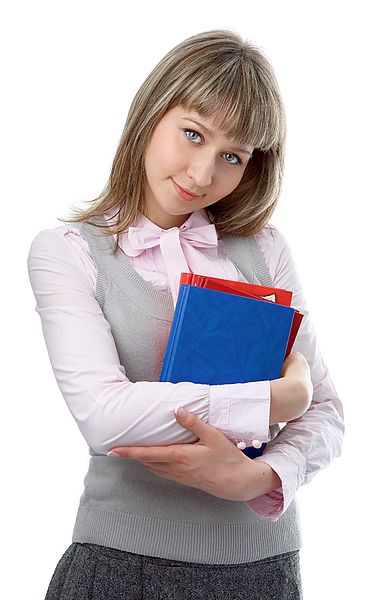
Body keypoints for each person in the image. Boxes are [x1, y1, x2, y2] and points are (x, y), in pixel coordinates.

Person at [28, 29, 344, 600]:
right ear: (152, 113)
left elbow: (326, 413)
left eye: (232, 156)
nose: (202, 175)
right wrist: (275, 399)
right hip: (122, 566)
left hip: (262, 569)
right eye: (192, 134)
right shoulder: (70, 252)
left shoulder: (264, 249)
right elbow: (104, 415)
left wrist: (261, 476)